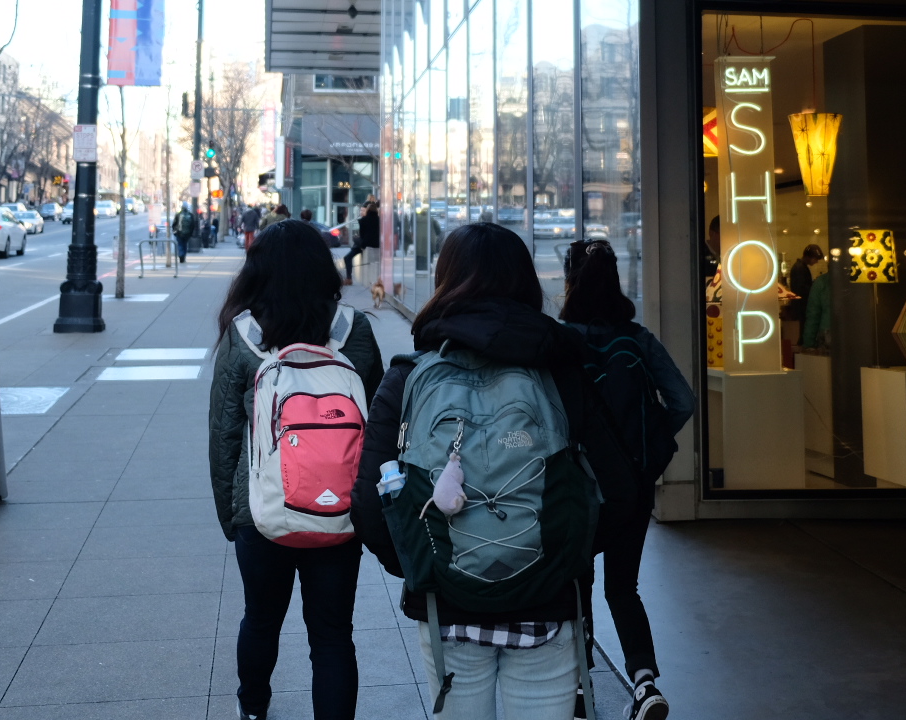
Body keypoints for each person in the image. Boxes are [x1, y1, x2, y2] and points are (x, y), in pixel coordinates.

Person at [353, 222, 636, 720]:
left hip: (446, 613)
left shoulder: (408, 376)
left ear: (445, 281)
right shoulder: (562, 373)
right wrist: (559, 556)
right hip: (547, 609)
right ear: (526, 282)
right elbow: (621, 492)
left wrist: (425, 566)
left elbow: (368, 503)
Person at [209, 219, 384, 720]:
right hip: (339, 510)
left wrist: (232, 516)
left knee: (260, 620)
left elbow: (223, 435)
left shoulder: (243, 336)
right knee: (332, 636)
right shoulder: (355, 332)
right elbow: (379, 424)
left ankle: (254, 712)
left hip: (261, 511)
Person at [561, 239, 694, 720]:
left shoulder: (562, 341)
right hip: (633, 486)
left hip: (579, 487)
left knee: (577, 582)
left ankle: (578, 684)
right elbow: (683, 401)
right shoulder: (637, 339)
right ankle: (644, 684)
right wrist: (647, 453)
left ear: (570, 280)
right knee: (623, 587)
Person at [343, 198, 378, 285]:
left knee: (354, 241)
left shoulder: (363, 221)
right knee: (355, 242)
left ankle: (348, 278)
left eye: (363, 210)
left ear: (368, 210)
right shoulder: (379, 219)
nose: (361, 212)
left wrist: (357, 239)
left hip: (365, 244)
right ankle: (348, 279)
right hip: (376, 243)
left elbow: (362, 236)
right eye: (360, 210)